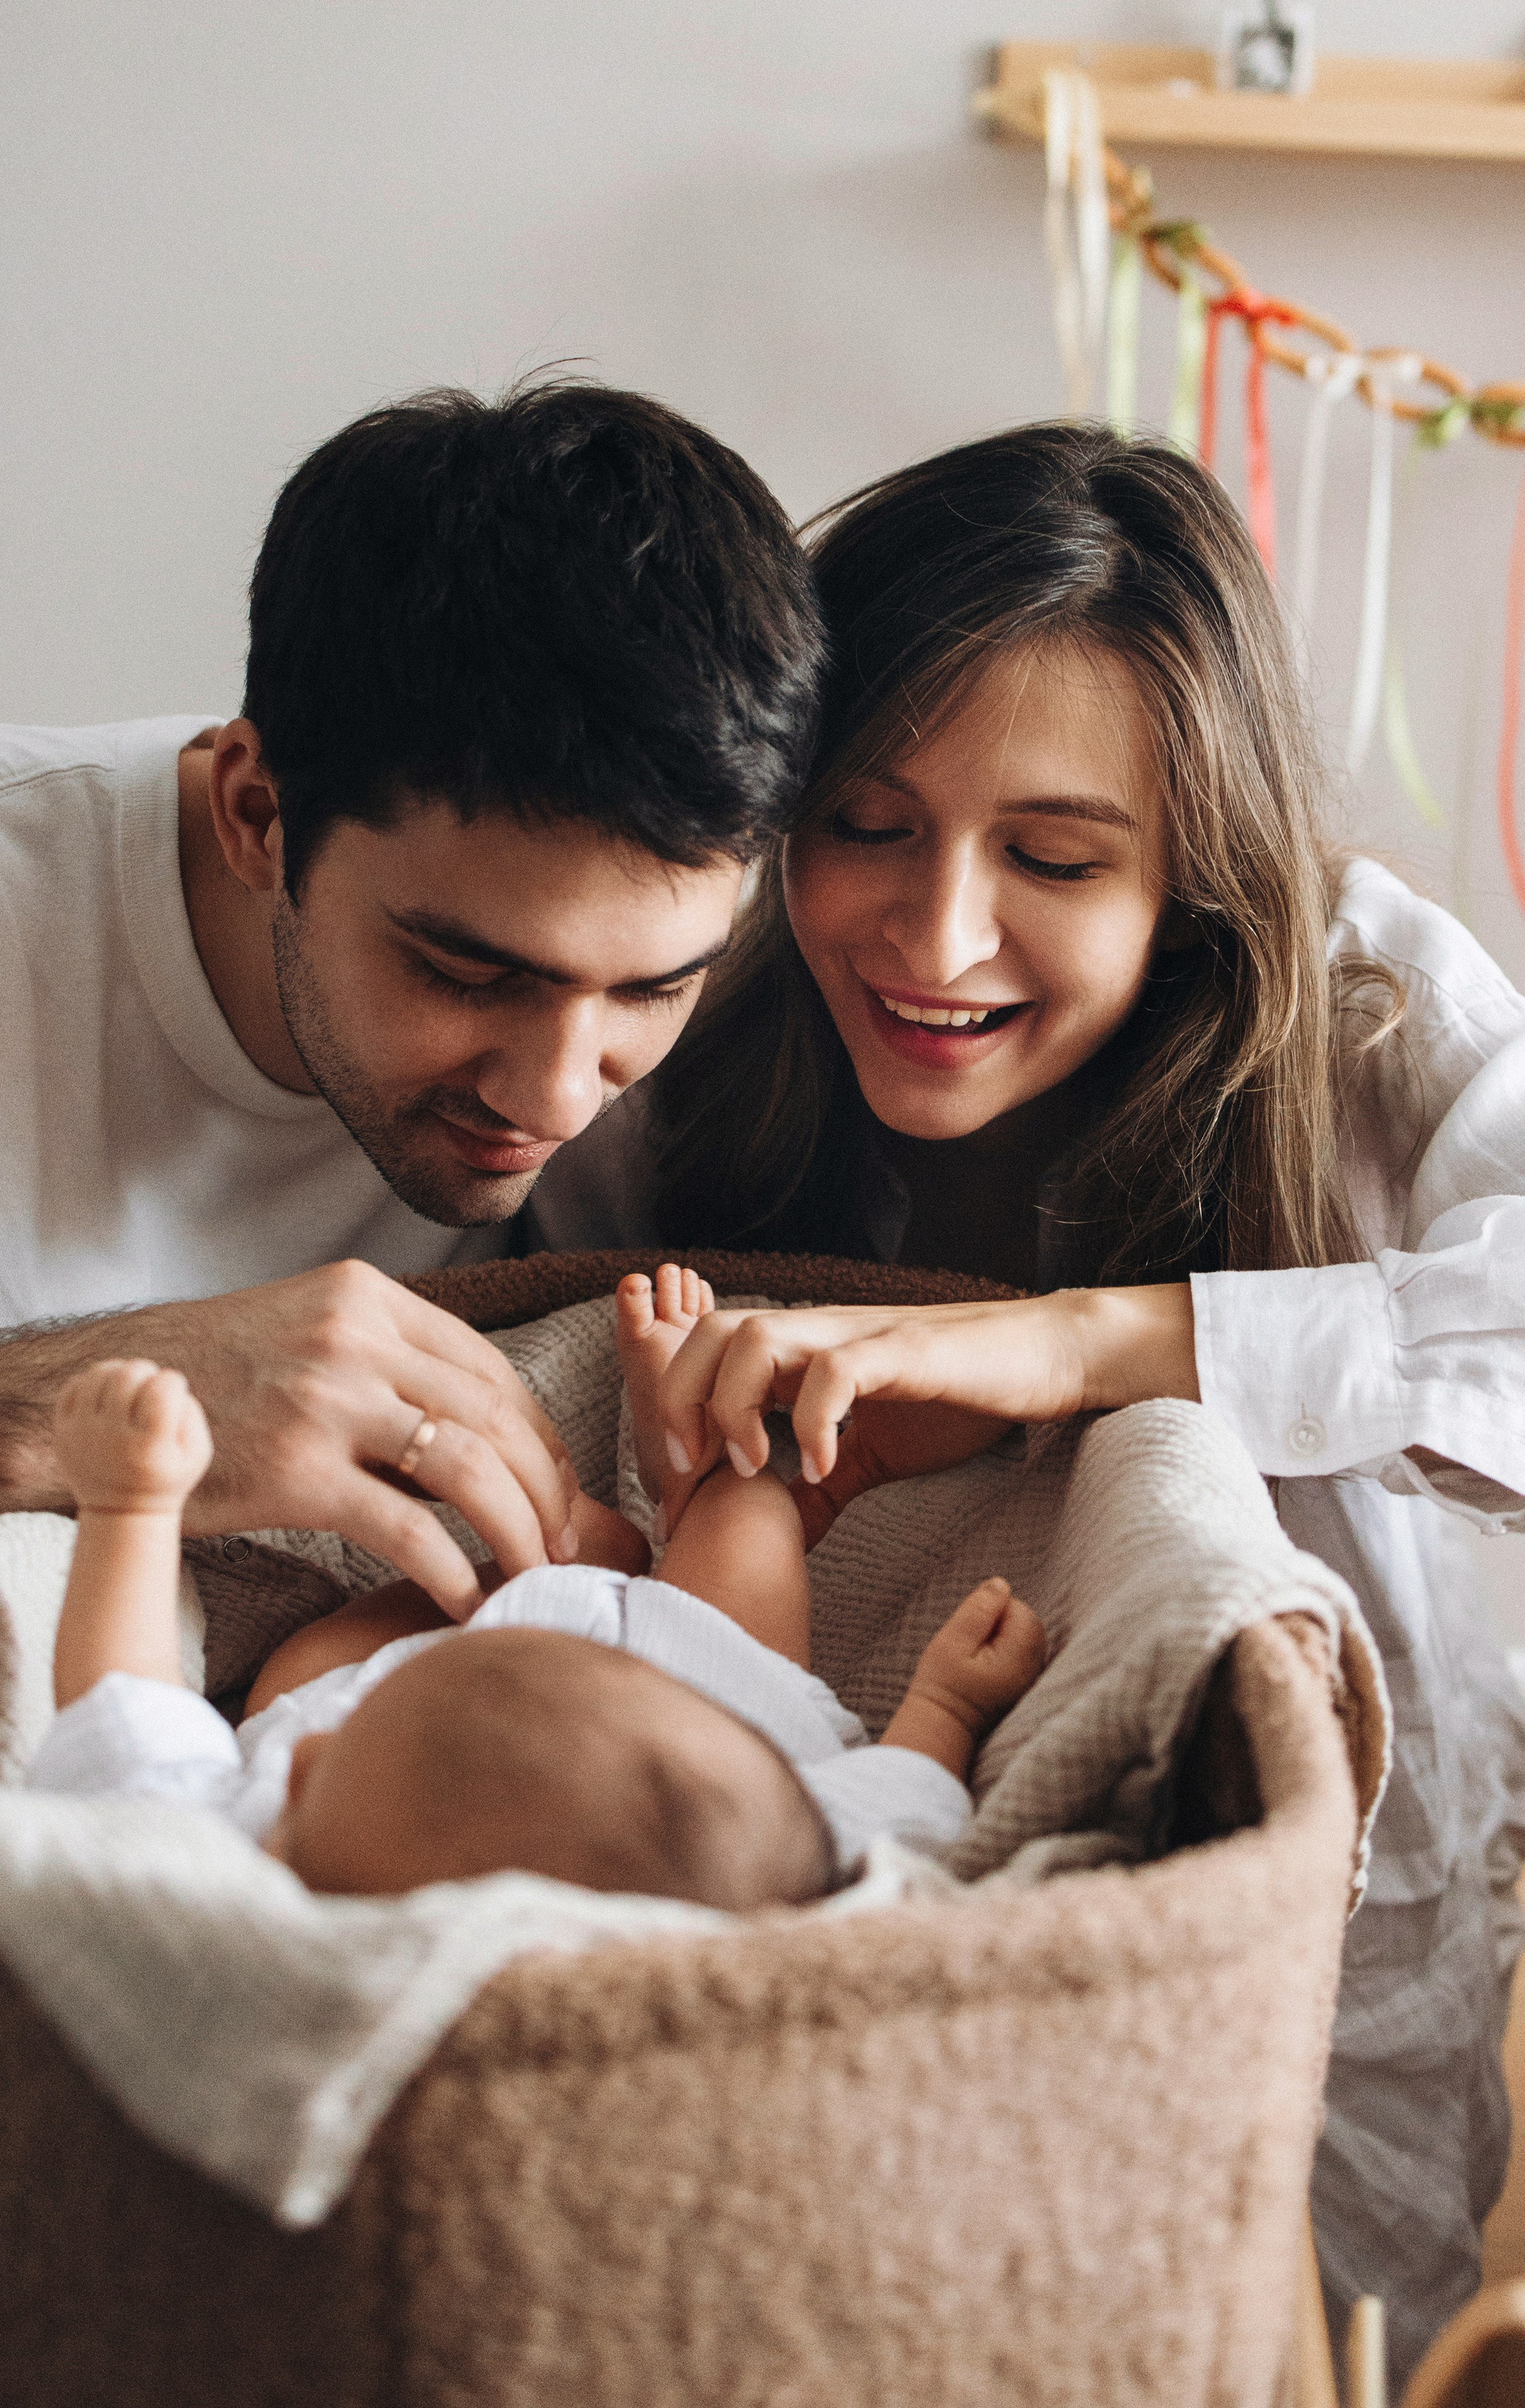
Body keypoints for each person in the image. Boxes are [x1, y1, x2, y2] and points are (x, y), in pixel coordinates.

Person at [562, 424, 1525, 2381]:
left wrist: (1078, 1349)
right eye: (867, 826)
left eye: (1058, 861)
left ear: (1196, 874)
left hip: (1313, 1956)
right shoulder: (697, 1003)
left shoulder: (1360, 1010)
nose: (937, 941)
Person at [0, 379, 824, 1614]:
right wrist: (69, 1415)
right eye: (466, 974)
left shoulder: (751, 1009)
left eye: (651, 989)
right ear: (256, 813)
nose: (561, 1099)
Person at [28, 1268, 1045, 1902]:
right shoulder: (763, 1868)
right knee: (751, 1516)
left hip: (409, 1681)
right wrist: (944, 1710)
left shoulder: (224, 1897)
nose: (300, 1764)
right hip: (709, 1697)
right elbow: (898, 1817)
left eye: (302, 1813)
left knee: (310, 1666)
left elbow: (125, 1706)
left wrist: (128, 1505)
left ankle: (574, 1546)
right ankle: (696, 1458)